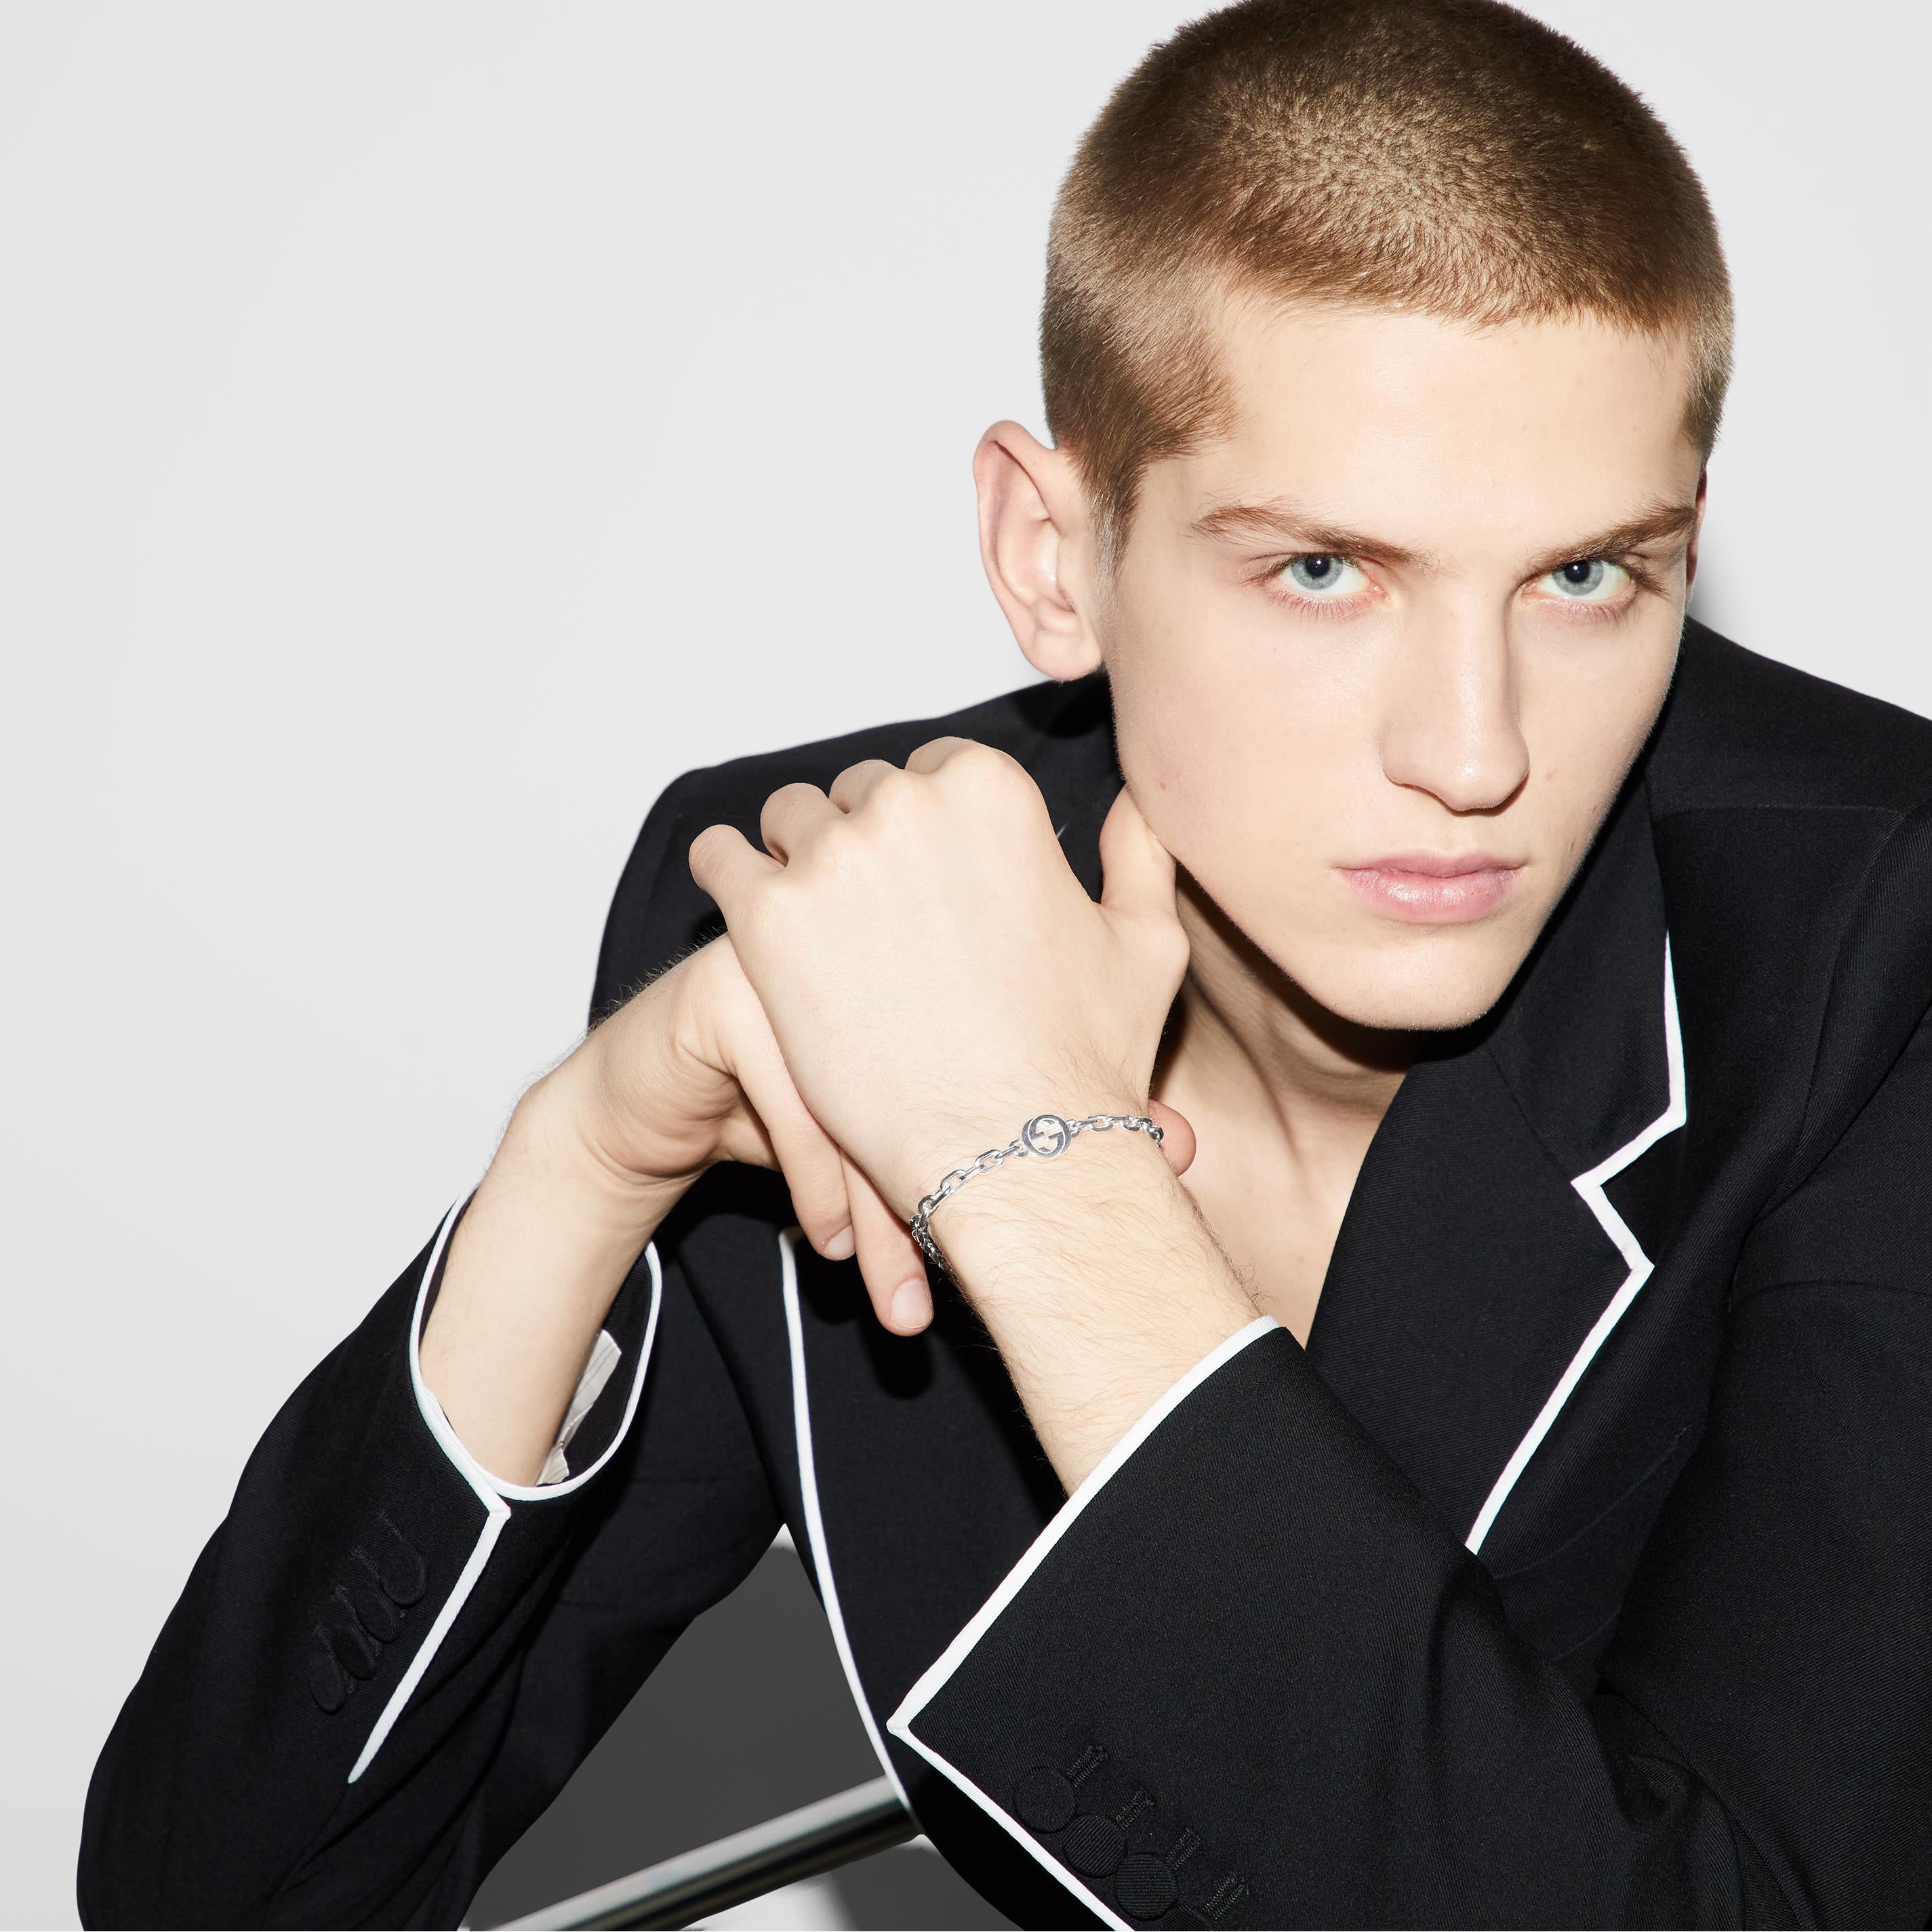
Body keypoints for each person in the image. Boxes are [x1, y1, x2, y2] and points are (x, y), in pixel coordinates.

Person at [77, 0, 1932, 1925]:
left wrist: (1050, 1193)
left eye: (1585, 575)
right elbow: (207, 1902)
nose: (1473, 752)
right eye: (1321, 571)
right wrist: (573, 1169)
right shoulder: (823, 923)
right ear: (1052, 557)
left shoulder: (1876, 965)